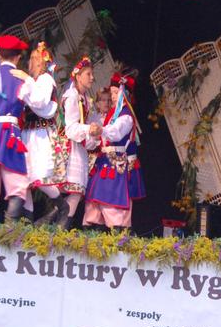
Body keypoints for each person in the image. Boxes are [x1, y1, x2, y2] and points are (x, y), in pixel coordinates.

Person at [0, 34, 56, 223]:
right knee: (17, 184)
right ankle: (11, 227)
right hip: (9, 134)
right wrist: (29, 80)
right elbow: (40, 102)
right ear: (17, 57)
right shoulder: (21, 79)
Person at [83, 70, 139, 231]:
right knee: (94, 201)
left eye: (116, 93)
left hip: (115, 162)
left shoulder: (126, 115)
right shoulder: (111, 114)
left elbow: (116, 132)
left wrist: (101, 130)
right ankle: (92, 233)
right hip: (104, 160)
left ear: (125, 95)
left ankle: (117, 234)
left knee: (110, 200)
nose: (113, 96)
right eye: (112, 92)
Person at [21, 42, 68, 225]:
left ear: (42, 62)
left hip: (41, 134)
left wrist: (26, 82)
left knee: (39, 177)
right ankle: (26, 222)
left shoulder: (46, 80)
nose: (31, 62)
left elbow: (39, 102)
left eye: (35, 58)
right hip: (27, 133)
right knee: (24, 180)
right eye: (31, 58)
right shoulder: (30, 82)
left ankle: (62, 206)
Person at [53, 56, 101, 228]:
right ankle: (55, 225)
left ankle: (56, 226)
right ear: (78, 76)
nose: (92, 78)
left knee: (77, 191)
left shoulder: (85, 98)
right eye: (88, 74)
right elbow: (71, 128)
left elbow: (87, 128)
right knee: (70, 189)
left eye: (92, 74)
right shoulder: (72, 96)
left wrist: (94, 135)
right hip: (67, 148)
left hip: (78, 148)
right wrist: (89, 130)